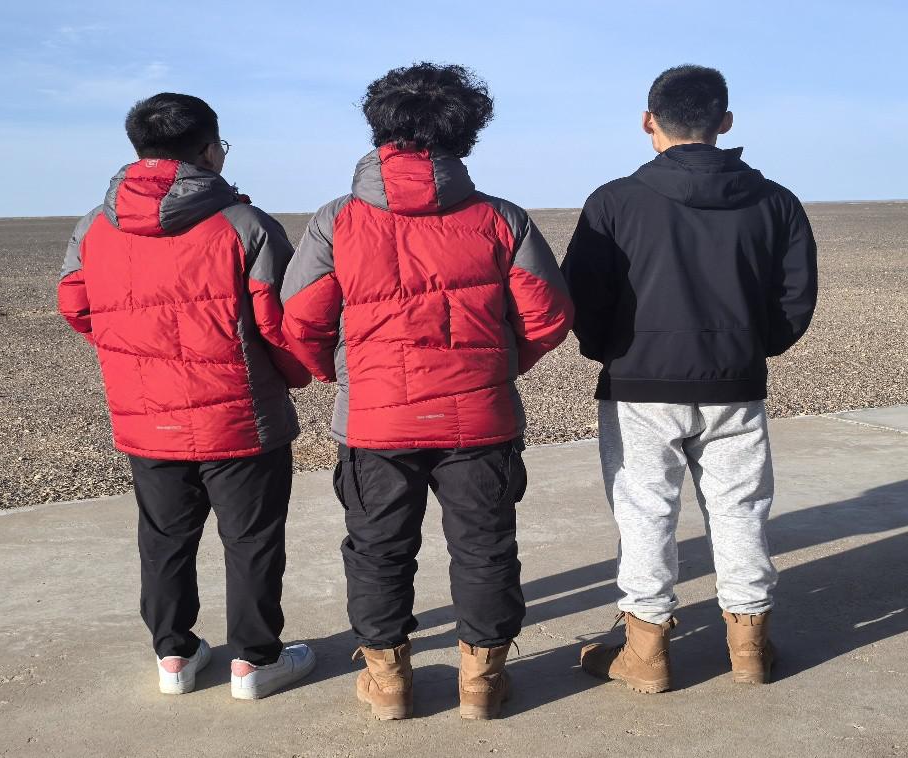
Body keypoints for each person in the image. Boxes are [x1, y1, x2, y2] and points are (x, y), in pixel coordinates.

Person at [280, 63, 573, 720]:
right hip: (480, 418)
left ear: (379, 128)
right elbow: (548, 315)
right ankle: (482, 682)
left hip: (375, 423)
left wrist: (343, 374)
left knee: (378, 549)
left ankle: (388, 683)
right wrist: (497, 366)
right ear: (464, 133)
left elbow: (299, 318)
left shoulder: (336, 220)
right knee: (484, 547)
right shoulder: (500, 218)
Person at [562, 65, 817, 692]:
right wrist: (750, 347)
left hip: (639, 386)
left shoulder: (613, 202)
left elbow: (582, 298)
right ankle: (749, 646)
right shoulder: (775, 201)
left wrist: (609, 351)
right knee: (740, 510)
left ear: (648, 122)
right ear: (724, 122)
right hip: (734, 382)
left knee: (645, 513)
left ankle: (646, 651)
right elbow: (794, 298)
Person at [56, 93, 315, 699]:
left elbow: (75, 304)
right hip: (241, 416)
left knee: (164, 538)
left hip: (147, 415)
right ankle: (255, 661)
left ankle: (173, 655)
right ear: (208, 150)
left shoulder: (95, 225)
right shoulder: (245, 225)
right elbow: (281, 325)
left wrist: (133, 354)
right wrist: (293, 377)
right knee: (251, 540)